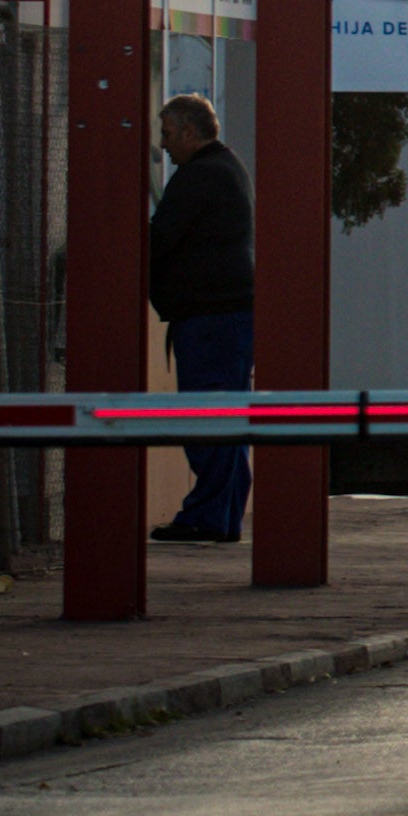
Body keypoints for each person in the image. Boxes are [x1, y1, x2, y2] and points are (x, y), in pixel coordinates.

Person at [147, 94, 253, 545]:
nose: (164, 145)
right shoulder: (227, 169)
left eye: (168, 134)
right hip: (226, 316)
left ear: (190, 132)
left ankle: (207, 515)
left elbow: (159, 239)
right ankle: (221, 514)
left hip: (209, 320)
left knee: (205, 416)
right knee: (226, 418)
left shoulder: (198, 177)